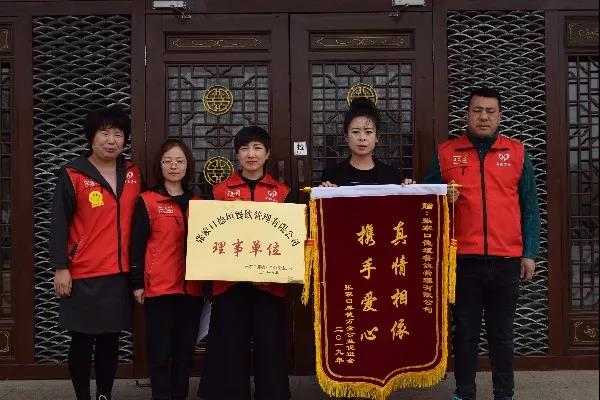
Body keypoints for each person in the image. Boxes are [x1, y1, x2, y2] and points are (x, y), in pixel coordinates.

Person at [423, 87, 540, 400]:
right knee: (465, 332)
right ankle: (464, 393)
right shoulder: (446, 153)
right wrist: (442, 199)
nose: (483, 117)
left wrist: (529, 253)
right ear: (467, 115)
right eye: (477, 111)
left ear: (500, 116)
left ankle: (504, 393)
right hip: (463, 259)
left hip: (506, 258)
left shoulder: (517, 153)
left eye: (490, 111)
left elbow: (530, 207)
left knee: (502, 333)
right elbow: (424, 204)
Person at [50, 106, 143, 400]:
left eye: (118, 134)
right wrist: (61, 267)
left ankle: (104, 394)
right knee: (81, 339)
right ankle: (83, 396)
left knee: (110, 340)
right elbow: (59, 223)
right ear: (91, 137)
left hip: (119, 272)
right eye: (104, 133)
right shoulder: (73, 174)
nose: (111, 140)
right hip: (83, 271)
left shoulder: (132, 172)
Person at [199, 126, 291, 400]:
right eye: (244, 148)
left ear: (268, 154)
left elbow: (291, 239)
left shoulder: (283, 193)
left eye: (257, 148)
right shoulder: (219, 191)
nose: (251, 154)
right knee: (228, 345)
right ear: (237, 155)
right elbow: (208, 237)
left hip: (269, 284)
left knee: (270, 345)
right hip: (229, 284)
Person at [130, 139, 203, 400]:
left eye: (179, 161)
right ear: (159, 166)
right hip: (160, 288)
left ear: (188, 166)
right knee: (160, 353)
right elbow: (137, 244)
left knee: (185, 354)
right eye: (168, 161)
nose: (174, 166)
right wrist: (137, 282)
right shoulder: (147, 200)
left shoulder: (198, 202)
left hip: (192, 289)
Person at [320, 97, 410, 187]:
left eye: (368, 132)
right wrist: (324, 190)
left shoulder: (392, 175)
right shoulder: (331, 175)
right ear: (346, 136)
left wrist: (409, 189)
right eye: (355, 132)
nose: (362, 138)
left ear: (377, 137)